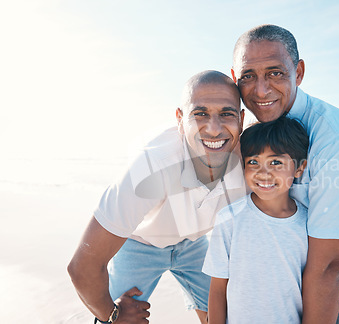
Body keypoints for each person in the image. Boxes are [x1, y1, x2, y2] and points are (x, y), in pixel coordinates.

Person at [230, 24, 339, 323]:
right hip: (301, 276)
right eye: (248, 76)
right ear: (235, 78)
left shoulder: (338, 137)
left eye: (275, 73)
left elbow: (330, 265)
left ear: (298, 72)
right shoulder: (248, 134)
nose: (261, 90)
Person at [68, 70, 247, 324]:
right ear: (180, 119)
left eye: (226, 114)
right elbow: (82, 266)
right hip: (139, 242)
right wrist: (112, 314)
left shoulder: (254, 160)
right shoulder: (151, 167)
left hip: (193, 243)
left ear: (241, 118)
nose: (214, 129)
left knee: (228, 316)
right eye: (200, 114)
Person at [203, 117, 310, 323]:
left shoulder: (309, 224)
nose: (263, 173)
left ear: (299, 168)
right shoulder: (229, 219)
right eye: (253, 162)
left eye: (276, 162)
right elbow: (217, 290)